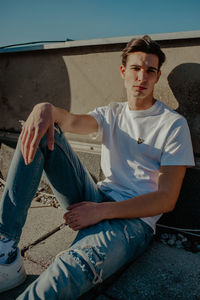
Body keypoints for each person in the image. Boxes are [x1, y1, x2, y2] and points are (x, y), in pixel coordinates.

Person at [0, 35, 195, 299]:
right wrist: (43, 108)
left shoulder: (172, 125)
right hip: (96, 196)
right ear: (124, 72)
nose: (142, 77)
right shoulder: (112, 113)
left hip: (132, 222)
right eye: (136, 68)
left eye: (150, 70)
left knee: (69, 268)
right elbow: (69, 121)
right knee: (44, 130)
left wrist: (101, 212)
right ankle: (6, 244)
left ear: (157, 76)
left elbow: (166, 199)